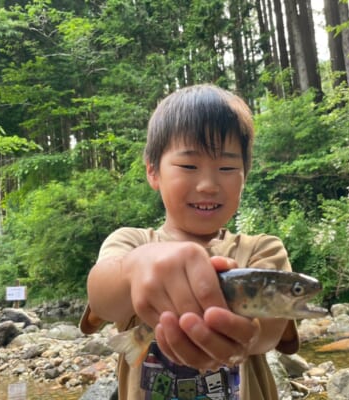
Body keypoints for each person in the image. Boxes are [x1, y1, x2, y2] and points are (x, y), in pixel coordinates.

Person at [80, 84, 299, 400]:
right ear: (153, 172)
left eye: (226, 167)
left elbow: (266, 337)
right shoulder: (132, 242)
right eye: (188, 166)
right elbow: (101, 297)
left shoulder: (262, 251)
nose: (209, 185)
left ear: (244, 176)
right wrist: (135, 268)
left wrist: (240, 329)